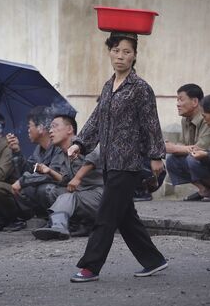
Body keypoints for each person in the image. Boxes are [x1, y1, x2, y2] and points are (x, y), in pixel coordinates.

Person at [68, 32, 168, 283]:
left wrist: (156, 156)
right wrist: (80, 143)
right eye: (116, 50)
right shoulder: (108, 85)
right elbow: (96, 119)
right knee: (125, 217)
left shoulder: (141, 88)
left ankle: (91, 266)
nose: (120, 56)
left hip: (129, 163)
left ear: (135, 55)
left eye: (126, 51)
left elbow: (151, 124)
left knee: (106, 215)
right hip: (109, 161)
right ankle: (154, 261)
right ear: (109, 52)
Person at [32, 115, 104, 240]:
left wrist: (78, 177)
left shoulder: (81, 143)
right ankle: (73, 224)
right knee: (52, 192)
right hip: (83, 196)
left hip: (100, 195)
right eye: (50, 127)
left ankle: (59, 226)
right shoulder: (61, 153)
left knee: (68, 197)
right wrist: (49, 171)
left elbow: (96, 156)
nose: (50, 131)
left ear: (69, 129)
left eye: (54, 126)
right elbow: (66, 181)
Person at [165, 84, 210, 202]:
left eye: (181, 99)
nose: (177, 104)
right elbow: (182, 144)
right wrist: (172, 147)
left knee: (193, 158)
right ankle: (204, 189)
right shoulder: (185, 119)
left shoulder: (207, 117)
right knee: (171, 159)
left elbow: (202, 149)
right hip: (199, 158)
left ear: (195, 101)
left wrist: (174, 148)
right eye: (177, 100)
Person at [7, 106, 64, 219]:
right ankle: (44, 216)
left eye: (30, 126)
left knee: (45, 189)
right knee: (24, 189)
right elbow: (27, 170)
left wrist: (23, 181)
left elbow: (52, 174)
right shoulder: (38, 150)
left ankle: (60, 218)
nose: (28, 130)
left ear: (41, 128)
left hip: (64, 189)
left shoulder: (58, 147)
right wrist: (16, 151)